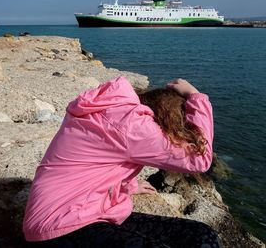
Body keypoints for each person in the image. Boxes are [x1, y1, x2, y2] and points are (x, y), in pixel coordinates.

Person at [23, 77, 222, 247]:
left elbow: (94, 161)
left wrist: (127, 184)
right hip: (58, 228)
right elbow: (198, 159)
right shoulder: (131, 125)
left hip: (77, 214)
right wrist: (197, 97)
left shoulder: (113, 110)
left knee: (202, 234)